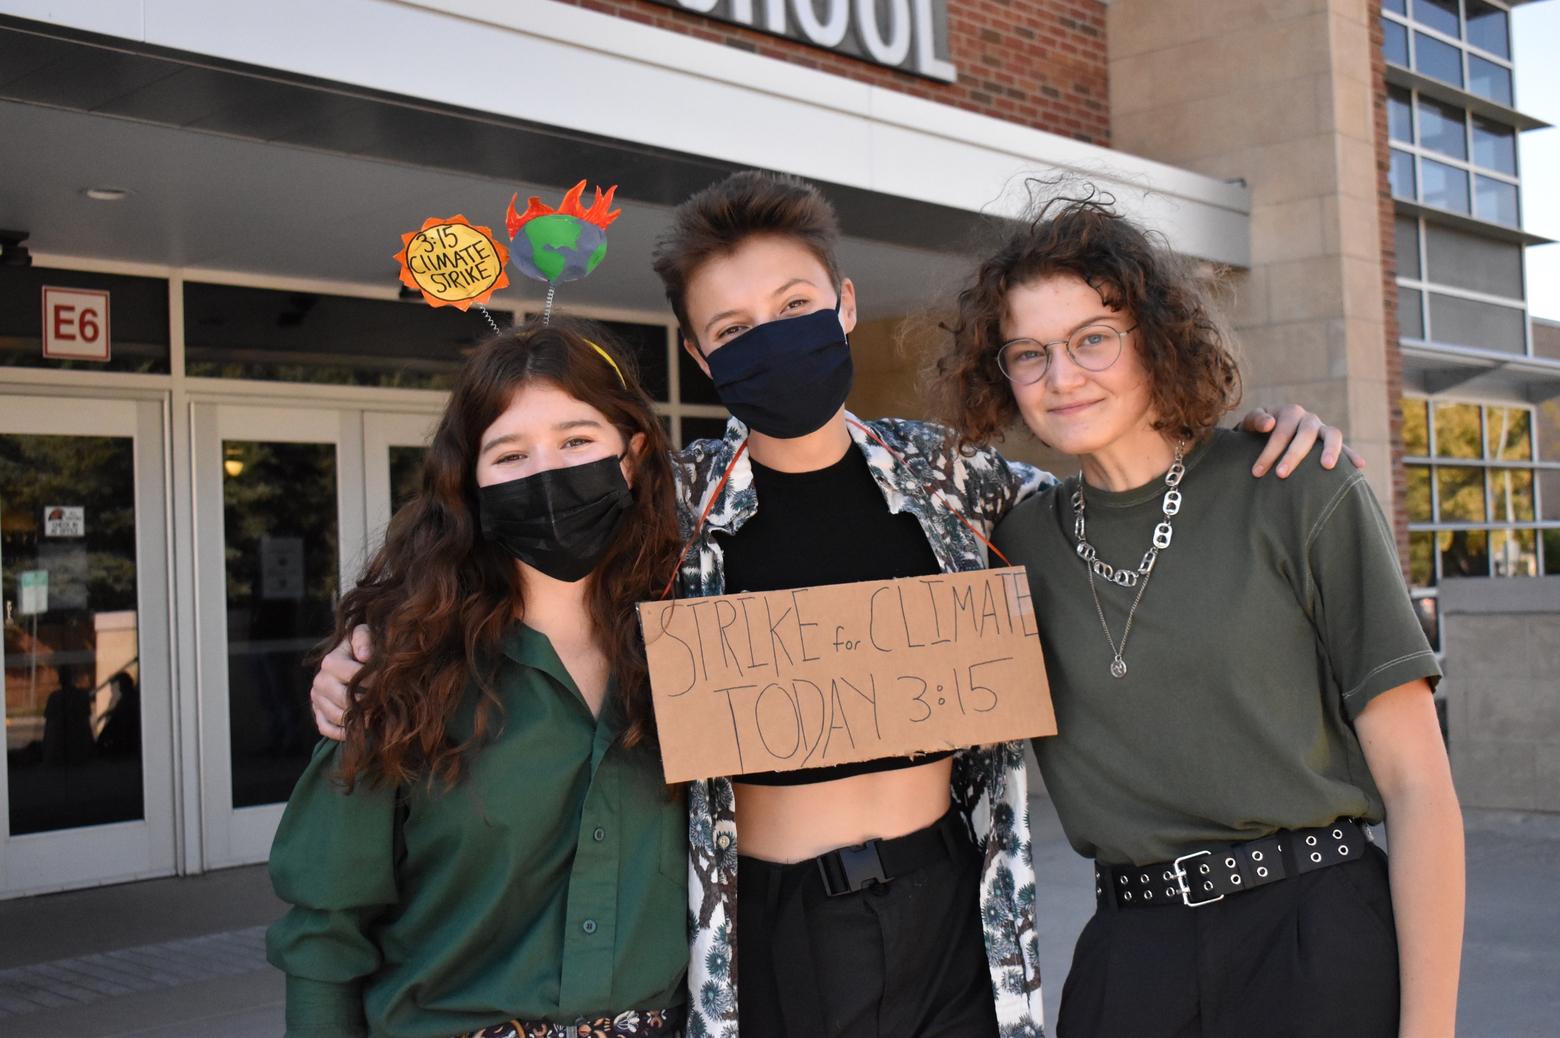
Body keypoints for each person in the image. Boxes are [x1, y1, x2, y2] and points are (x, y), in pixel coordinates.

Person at [313, 172, 1356, 1037]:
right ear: (699, 353)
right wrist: (369, 641)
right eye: (733, 326)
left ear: (846, 305)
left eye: (796, 310)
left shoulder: (959, 480)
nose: (769, 339)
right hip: (766, 929)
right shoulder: (668, 510)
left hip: (949, 910)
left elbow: (1118, 500)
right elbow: (506, 564)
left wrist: (1239, 439)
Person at [927, 190, 1464, 1037]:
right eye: (1027, 354)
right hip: (1132, 959)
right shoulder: (1012, 542)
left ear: (1156, 337)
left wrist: (1430, 1030)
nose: (1061, 377)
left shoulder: (1296, 485)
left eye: (1092, 339)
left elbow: (1418, 783)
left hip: (1314, 937)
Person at [267, 320, 689, 1038]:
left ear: (633, 454)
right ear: (471, 482)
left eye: (577, 440)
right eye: (510, 453)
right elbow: (326, 934)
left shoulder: (698, 643)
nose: (547, 472)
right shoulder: (400, 674)